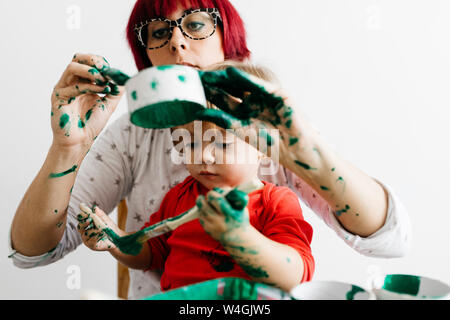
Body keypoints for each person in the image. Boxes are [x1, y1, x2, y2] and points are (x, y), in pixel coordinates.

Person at [9, 0, 411, 299]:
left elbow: (389, 240)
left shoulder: (269, 123)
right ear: (146, 55)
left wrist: (301, 147)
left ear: (227, 37)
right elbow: (33, 253)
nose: (178, 45)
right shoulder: (137, 140)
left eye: (196, 24)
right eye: (160, 32)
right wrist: (68, 147)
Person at [78, 84, 315, 292]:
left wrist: (241, 236)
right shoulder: (180, 195)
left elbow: (297, 274)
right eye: (191, 143)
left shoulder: (275, 202)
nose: (203, 155)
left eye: (222, 143)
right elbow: (153, 252)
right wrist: (118, 242)